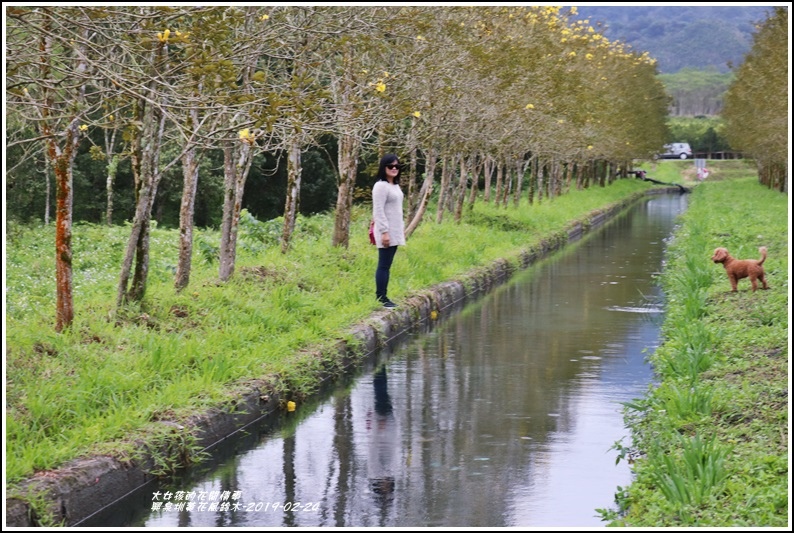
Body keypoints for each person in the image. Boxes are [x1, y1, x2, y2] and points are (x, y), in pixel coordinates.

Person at [372, 154, 406, 308]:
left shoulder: (395, 186)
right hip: (386, 232)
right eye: (390, 166)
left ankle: (383, 295)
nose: (394, 169)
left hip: (395, 230)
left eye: (397, 166)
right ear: (383, 167)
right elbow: (378, 210)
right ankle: (381, 297)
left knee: (387, 265)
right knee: (383, 265)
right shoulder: (380, 186)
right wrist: (384, 232)